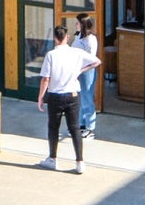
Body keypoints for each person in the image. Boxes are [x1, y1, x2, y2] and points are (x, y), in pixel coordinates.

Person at [35, 24, 98, 173]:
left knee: (53, 128)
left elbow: (45, 79)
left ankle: (53, 159)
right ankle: (80, 162)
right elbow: (96, 61)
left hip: (56, 96)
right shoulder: (76, 52)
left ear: (55, 38)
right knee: (75, 128)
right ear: (67, 37)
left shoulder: (51, 55)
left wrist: (41, 97)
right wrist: (81, 70)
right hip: (73, 95)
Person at [73, 14, 100, 140]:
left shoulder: (90, 40)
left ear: (83, 25)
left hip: (87, 72)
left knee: (87, 98)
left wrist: (81, 69)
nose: (75, 25)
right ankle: (81, 125)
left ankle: (90, 128)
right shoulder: (79, 36)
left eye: (77, 23)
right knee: (81, 98)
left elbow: (91, 60)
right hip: (78, 71)